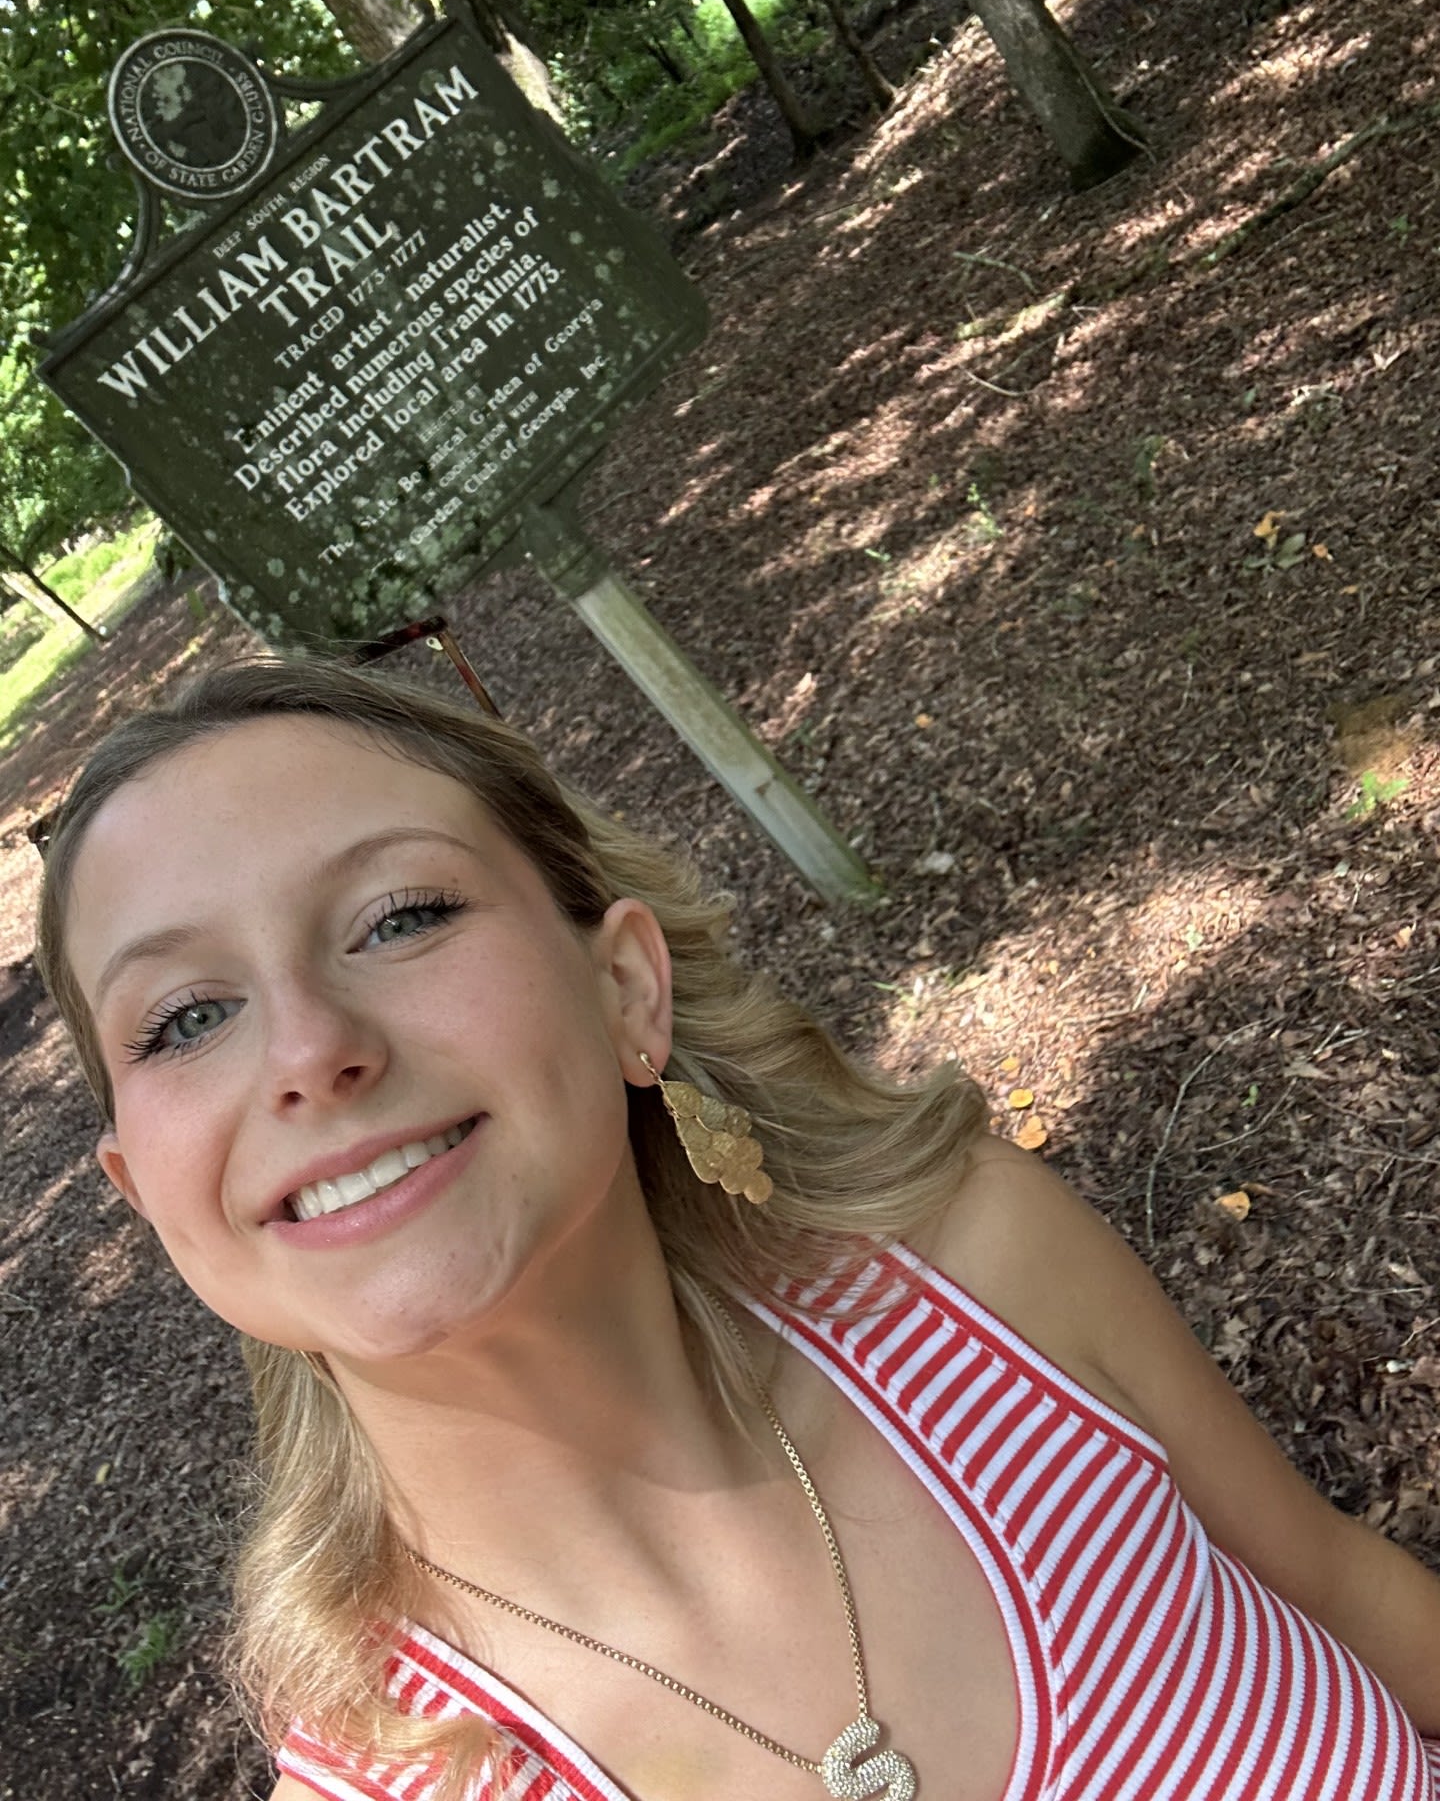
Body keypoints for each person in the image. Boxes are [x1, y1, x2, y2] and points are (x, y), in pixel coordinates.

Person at [36, 656, 1440, 1801]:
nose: (308, 1050)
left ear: (627, 990)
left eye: (399, 918)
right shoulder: (396, 1783)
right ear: (144, 1191)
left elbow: (1338, 1588)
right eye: (185, 1019)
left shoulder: (968, 1273)